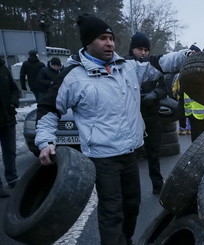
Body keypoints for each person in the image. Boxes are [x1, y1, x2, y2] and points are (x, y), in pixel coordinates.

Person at [35, 14, 192, 245]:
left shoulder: (128, 68)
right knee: (111, 213)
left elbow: (161, 62)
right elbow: (48, 109)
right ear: (88, 42)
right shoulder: (73, 77)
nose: (109, 43)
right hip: (102, 158)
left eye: (111, 38)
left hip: (130, 153)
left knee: (131, 206)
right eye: (102, 38)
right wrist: (45, 141)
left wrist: (188, 54)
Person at [124, 32, 165, 195]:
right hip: (130, 118)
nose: (143, 53)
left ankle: (158, 185)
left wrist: (154, 94)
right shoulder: (122, 66)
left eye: (146, 50)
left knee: (154, 152)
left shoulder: (153, 66)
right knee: (130, 155)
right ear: (132, 49)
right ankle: (131, 190)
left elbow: (163, 88)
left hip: (150, 115)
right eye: (140, 49)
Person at [0, 57, 20, 197]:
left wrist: (13, 103)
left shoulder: (3, 67)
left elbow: (14, 88)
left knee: (10, 151)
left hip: (7, 117)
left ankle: (12, 178)